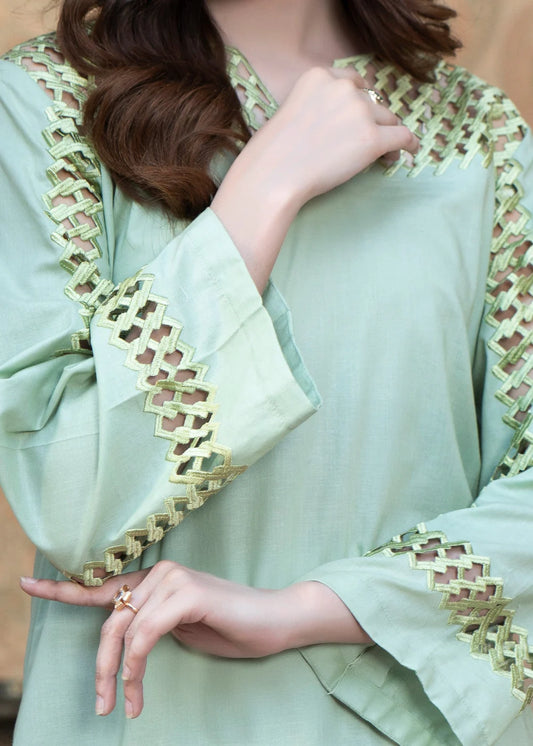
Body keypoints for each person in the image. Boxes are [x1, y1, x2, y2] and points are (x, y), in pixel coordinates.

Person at [1, 0, 532, 743]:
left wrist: (304, 610)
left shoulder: (479, 136)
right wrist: (263, 191)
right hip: (145, 715)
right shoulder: (48, 99)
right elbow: (72, 498)